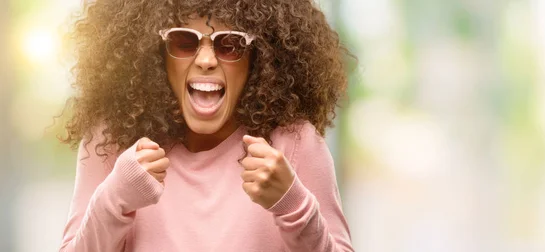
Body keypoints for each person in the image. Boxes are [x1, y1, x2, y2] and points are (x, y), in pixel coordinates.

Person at [59, 0, 354, 251]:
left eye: (230, 45)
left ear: (259, 57)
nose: (206, 59)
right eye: (184, 42)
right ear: (156, 54)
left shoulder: (294, 143)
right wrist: (115, 197)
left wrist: (293, 203)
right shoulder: (112, 140)